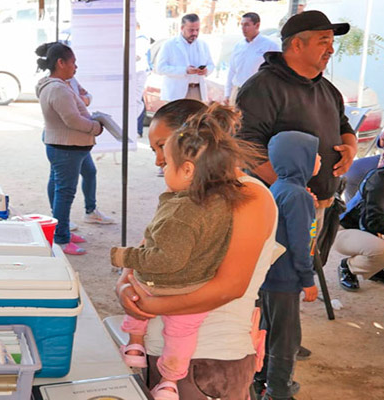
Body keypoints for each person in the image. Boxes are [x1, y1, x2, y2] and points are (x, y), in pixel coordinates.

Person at [117, 99, 279, 399]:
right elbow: (149, 249)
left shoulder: (249, 197)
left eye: (161, 147)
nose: (157, 161)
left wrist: (151, 305)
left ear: (195, 140)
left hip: (211, 359)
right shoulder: (183, 195)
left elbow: (229, 287)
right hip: (161, 351)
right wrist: (124, 286)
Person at [236, 11, 354, 228]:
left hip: (322, 206)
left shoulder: (328, 89)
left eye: (331, 42)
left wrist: (350, 148)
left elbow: (344, 126)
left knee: (311, 263)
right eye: (323, 42)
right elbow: (247, 145)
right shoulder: (263, 87)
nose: (331, 50)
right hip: (279, 207)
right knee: (285, 262)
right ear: (297, 45)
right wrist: (292, 191)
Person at [253, 131, 320, 400]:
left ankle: (262, 379)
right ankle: (279, 391)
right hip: (287, 280)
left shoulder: (279, 188)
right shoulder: (298, 196)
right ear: (299, 160)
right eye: (314, 154)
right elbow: (299, 244)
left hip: (269, 278)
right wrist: (307, 279)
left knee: (268, 331)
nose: (319, 158)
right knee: (286, 339)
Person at [35, 42, 116, 229]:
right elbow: (72, 120)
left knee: (67, 184)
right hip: (67, 146)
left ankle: (65, 225)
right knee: (64, 191)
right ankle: (61, 234)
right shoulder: (58, 88)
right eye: (73, 62)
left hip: (69, 145)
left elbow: (84, 100)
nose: (76, 67)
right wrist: (96, 127)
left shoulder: (60, 84)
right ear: (61, 63)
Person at [335, 163, 384, 291]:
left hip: (379, 231)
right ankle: (348, 266)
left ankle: (377, 268)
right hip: (348, 229)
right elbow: (375, 222)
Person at [155, 13, 214, 102]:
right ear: (182, 28)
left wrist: (206, 70)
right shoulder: (169, 44)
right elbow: (160, 68)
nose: (194, 33)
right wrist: (185, 70)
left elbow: (211, 65)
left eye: (197, 30)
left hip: (197, 91)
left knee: (197, 116)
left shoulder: (203, 45)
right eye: (191, 30)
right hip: (176, 93)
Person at [224, 12, 280, 106]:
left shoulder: (269, 46)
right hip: (237, 91)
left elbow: (276, 72)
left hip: (257, 93)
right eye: (241, 25)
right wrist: (227, 94)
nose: (243, 28)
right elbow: (232, 71)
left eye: (247, 25)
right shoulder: (238, 46)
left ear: (257, 25)